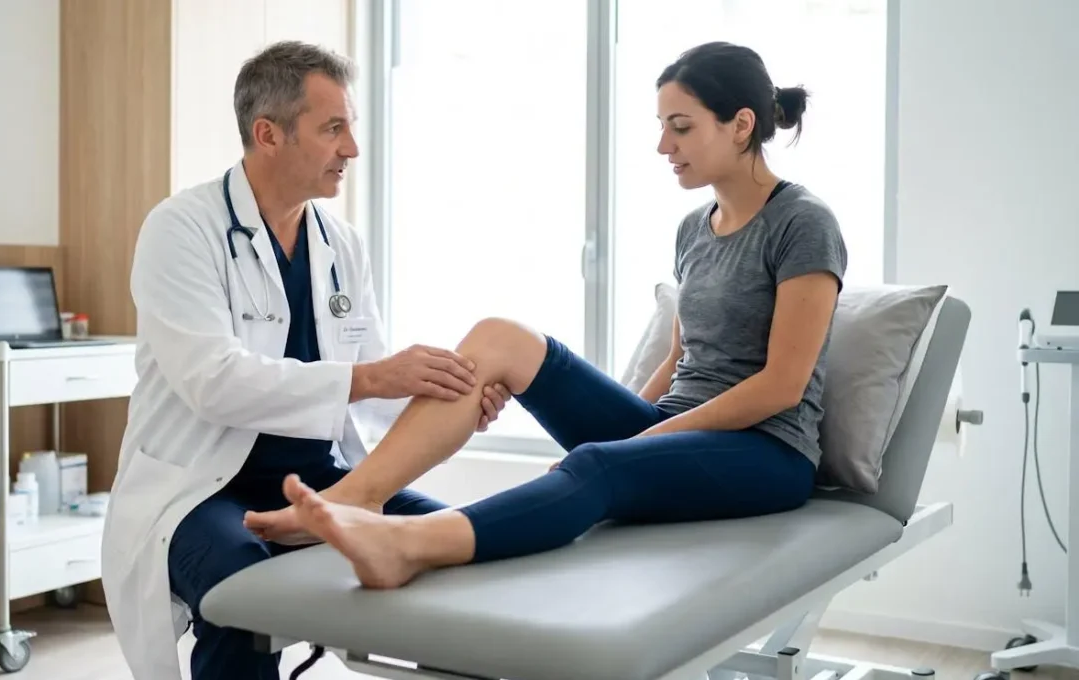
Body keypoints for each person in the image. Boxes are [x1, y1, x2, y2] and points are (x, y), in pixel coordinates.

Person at [243, 41, 849, 590]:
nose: (664, 146)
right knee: (501, 337)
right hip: (676, 429)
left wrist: (632, 448)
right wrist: (637, 437)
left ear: (741, 125)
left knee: (597, 466)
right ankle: (357, 495)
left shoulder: (802, 223)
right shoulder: (696, 227)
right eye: (663, 127)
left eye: (681, 127)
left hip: (765, 452)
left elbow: (781, 385)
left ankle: (407, 546)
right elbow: (680, 358)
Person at [99, 41, 511, 680]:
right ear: (269, 134)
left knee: (461, 544)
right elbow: (214, 383)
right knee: (243, 589)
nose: (352, 148)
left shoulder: (340, 243)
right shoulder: (181, 229)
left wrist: (447, 397)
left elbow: (371, 386)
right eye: (333, 128)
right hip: (203, 489)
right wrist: (372, 377)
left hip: (322, 479)